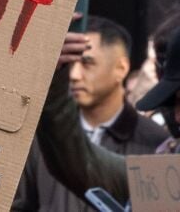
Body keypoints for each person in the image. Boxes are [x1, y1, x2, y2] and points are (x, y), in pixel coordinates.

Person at [13, 16, 168, 211]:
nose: (75, 75)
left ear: (121, 68)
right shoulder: (42, 137)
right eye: (70, 64)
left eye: (87, 63)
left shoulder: (156, 144)